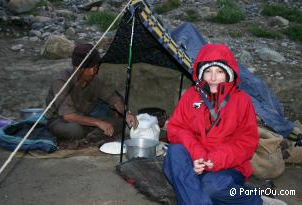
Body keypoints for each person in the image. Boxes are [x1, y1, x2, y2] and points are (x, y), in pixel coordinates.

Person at [163, 44, 286, 205]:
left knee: (210, 187)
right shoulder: (190, 97)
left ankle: (257, 200)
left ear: (229, 73)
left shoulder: (242, 101)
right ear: (201, 73)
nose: (213, 78)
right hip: (195, 160)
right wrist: (198, 154)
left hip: (227, 165)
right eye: (208, 71)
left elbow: (246, 142)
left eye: (219, 72)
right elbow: (177, 128)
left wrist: (214, 160)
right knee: (174, 153)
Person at [45, 43, 138, 145]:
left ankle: (89, 138)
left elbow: (113, 98)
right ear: (78, 68)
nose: (94, 71)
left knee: (120, 123)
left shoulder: (94, 80)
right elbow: (68, 116)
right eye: (90, 68)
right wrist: (98, 123)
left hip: (84, 119)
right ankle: (90, 135)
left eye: (96, 67)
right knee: (75, 130)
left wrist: (126, 114)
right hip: (59, 121)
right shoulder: (61, 81)